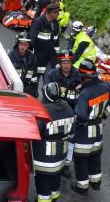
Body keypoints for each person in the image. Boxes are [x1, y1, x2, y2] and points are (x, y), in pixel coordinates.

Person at [71, 59, 110, 196]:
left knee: (81, 159)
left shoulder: (84, 94)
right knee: (95, 156)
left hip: (84, 132)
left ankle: (82, 187)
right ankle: (96, 182)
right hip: (98, 128)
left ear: (84, 77)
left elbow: (80, 115)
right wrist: (103, 116)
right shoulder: (104, 87)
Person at [33, 82, 75, 202]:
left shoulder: (42, 110)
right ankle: (55, 197)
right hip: (61, 153)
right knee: (56, 177)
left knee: (43, 184)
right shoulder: (68, 107)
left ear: (46, 95)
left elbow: (35, 133)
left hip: (44, 157)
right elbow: (71, 133)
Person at [44, 49, 82, 178]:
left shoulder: (78, 75)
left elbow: (87, 91)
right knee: (54, 138)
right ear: (60, 62)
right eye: (64, 62)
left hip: (72, 111)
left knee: (71, 139)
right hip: (56, 111)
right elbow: (47, 93)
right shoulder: (52, 75)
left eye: (69, 62)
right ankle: (52, 161)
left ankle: (66, 165)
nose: (66, 65)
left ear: (72, 63)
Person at [30, 2, 61, 80]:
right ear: (52, 13)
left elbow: (56, 42)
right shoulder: (38, 22)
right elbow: (32, 40)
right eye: (57, 12)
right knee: (34, 80)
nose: (59, 14)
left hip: (50, 59)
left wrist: (57, 59)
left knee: (48, 83)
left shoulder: (55, 24)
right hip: (38, 59)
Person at [8, 31, 39, 97]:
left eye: (25, 45)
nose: (23, 47)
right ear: (18, 44)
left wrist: (35, 92)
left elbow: (34, 77)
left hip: (27, 90)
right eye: (21, 44)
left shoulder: (32, 58)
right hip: (13, 91)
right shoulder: (11, 57)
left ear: (29, 45)